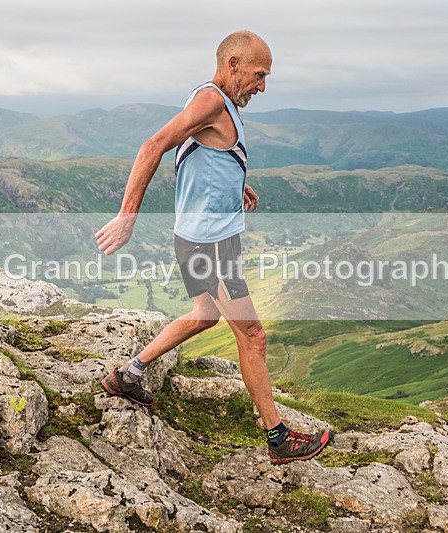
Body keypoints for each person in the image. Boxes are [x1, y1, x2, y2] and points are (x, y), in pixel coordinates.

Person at [94, 30, 331, 465]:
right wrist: (127, 216)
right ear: (233, 64)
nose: (263, 86)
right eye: (259, 75)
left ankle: (129, 374)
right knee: (253, 336)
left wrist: (236, 183)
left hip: (200, 237)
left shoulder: (214, 100)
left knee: (205, 315)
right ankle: (278, 439)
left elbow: (204, 155)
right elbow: (153, 146)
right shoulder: (211, 101)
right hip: (211, 244)